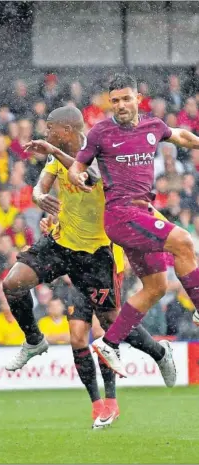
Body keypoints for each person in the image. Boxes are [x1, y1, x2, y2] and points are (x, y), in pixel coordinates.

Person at [2, 106, 176, 429]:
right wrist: (41, 197)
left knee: (111, 326)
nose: (47, 132)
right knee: (13, 284)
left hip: (98, 254)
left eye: (51, 129)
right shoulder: (58, 154)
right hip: (62, 244)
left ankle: (158, 352)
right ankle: (34, 341)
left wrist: (53, 151)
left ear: (66, 132)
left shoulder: (99, 152)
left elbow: (89, 176)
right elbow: (43, 183)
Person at [68, 74, 199, 377]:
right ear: (109, 102)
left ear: (138, 99)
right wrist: (79, 177)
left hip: (142, 213)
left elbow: (181, 136)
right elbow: (78, 167)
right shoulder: (101, 133)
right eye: (115, 100)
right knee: (184, 241)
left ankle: (111, 342)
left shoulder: (153, 127)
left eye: (126, 99)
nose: (121, 105)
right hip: (121, 216)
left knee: (156, 286)